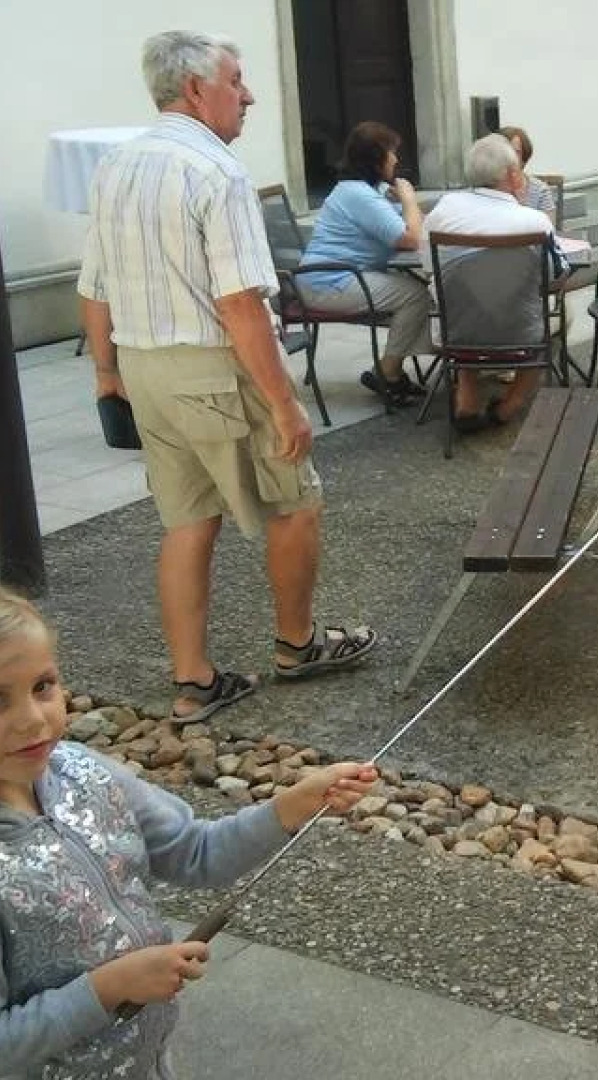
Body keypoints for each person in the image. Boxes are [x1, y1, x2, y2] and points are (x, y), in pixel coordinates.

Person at [0, 582, 380, 1080]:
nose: (32, 719)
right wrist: (108, 987)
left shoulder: (80, 768)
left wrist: (291, 806)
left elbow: (196, 851)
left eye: (42, 686)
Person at [79, 31, 379, 724]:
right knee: (296, 501)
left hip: (144, 365)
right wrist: (285, 404)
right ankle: (297, 645)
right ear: (194, 89)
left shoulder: (115, 165)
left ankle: (194, 678)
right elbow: (240, 301)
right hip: (215, 364)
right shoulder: (216, 172)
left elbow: (93, 284)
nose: (248, 95)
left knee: (187, 520)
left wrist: (106, 372)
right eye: (237, 81)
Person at [422, 133, 569, 434]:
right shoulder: (535, 221)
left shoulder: (441, 213)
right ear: (513, 175)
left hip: (457, 333)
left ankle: (467, 396)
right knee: (559, 317)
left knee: (465, 301)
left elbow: (428, 268)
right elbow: (555, 278)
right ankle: (509, 406)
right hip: (520, 331)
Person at [295, 121, 431, 409]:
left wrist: (408, 208)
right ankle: (387, 372)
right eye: (392, 153)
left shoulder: (362, 191)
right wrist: (408, 198)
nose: (396, 159)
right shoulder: (359, 195)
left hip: (333, 277)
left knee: (415, 289)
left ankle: (393, 369)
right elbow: (411, 237)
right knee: (416, 295)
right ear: (376, 158)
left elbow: (410, 223)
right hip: (328, 283)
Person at [498, 125, 560, 219]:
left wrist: (521, 205)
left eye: (516, 152)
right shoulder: (486, 188)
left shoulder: (540, 191)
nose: (509, 157)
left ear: (523, 157)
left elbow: (548, 230)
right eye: (505, 152)